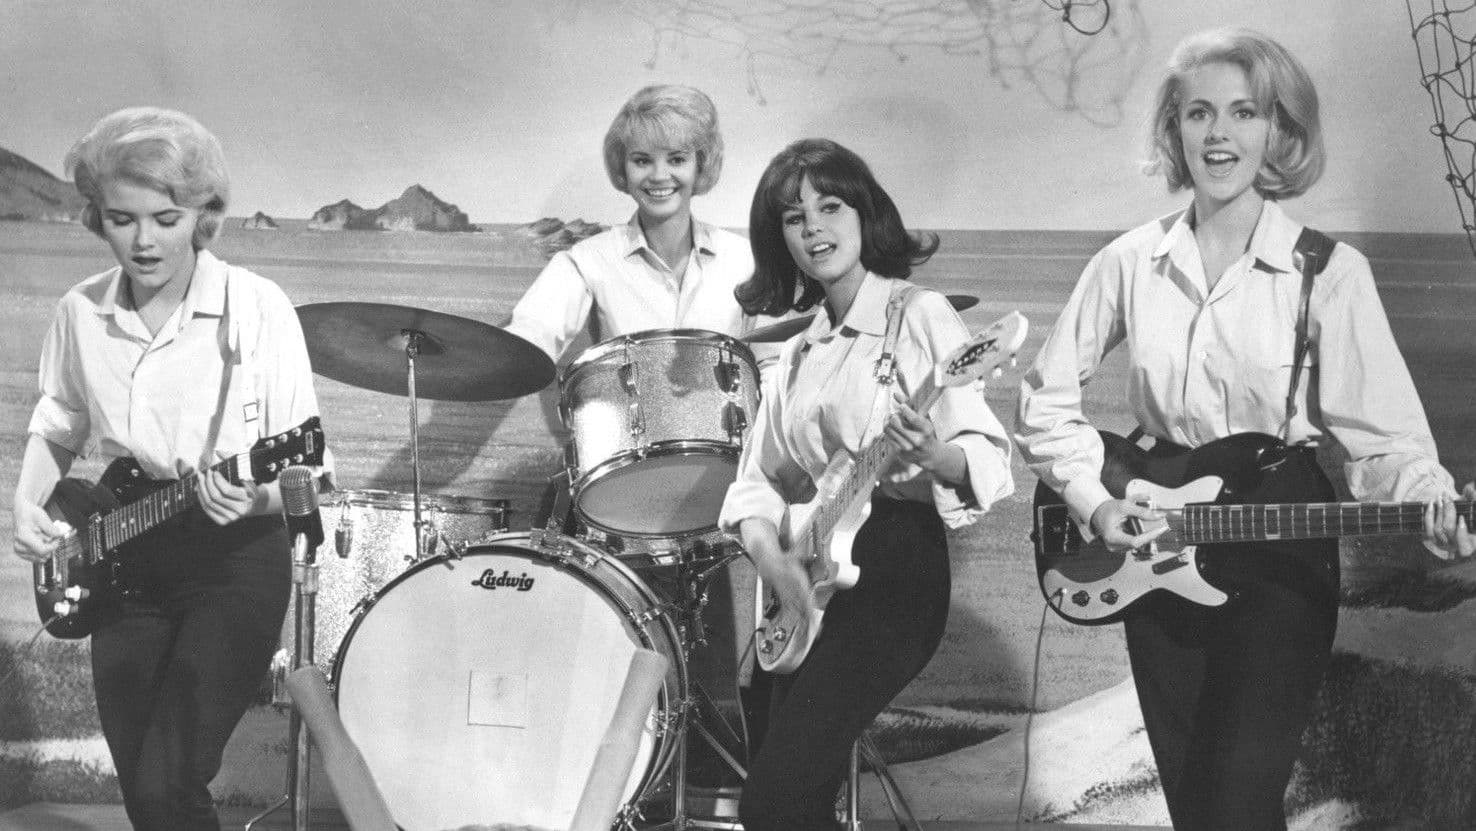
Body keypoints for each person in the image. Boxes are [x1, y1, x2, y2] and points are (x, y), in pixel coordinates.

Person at [1014, 28, 1476, 830]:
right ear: (1175, 129)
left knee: (1235, 800)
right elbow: (1045, 402)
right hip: (1156, 539)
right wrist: (1094, 502)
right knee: (1203, 811)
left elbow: (1388, 441)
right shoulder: (1129, 262)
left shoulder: (1330, 273)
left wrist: (1432, 501)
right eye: (1199, 113)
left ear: (1279, 132)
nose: (1219, 135)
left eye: (1243, 112)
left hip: (1281, 552)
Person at [10, 107, 327, 831]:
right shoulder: (78, 312)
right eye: (122, 219)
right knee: (148, 795)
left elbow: (315, 469)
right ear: (97, 217)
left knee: (169, 775)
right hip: (120, 544)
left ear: (203, 215)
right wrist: (28, 506)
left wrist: (248, 500)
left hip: (236, 556)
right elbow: (57, 423)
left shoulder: (257, 307)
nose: (144, 240)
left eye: (166, 216)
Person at [719, 138, 1014, 831]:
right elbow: (755, 484)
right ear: (780, 239)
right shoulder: (795, 353)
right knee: (785, 806)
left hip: (894, 572)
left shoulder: (919, 314)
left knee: (774, 797)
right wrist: (774, 560)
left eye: (830, 206)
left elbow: (987, 457)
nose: (815, 227)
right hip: (800, 582)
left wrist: (936, 454)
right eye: (794, 217)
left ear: (865, 213)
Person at [505, 83, 778, 360]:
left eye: (677, 159)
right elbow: (531, 336)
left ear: (701, 165)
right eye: (642, 161)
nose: (659, 175)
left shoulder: (746, 259)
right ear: (622, 167)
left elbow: (774, 364)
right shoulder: (588, 260)